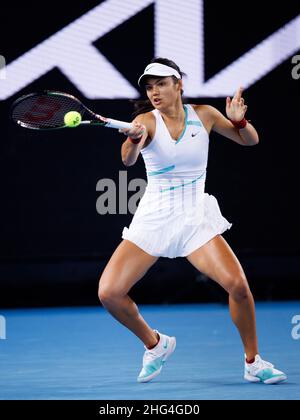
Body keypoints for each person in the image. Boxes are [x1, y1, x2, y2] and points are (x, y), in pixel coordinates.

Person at [98, 57, 287, 385]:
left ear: (178, 84)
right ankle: (155, 345)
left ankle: (253, 361)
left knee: (239, 287)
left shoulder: (206, 115)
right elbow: (127, 161)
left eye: (161, 83)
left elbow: (250, 140)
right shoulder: (146, 121)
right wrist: (132, 139)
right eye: (149, 85)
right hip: (154, 218)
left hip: (194, 218)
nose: (154, 91)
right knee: (109, 293)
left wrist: (240, 123)